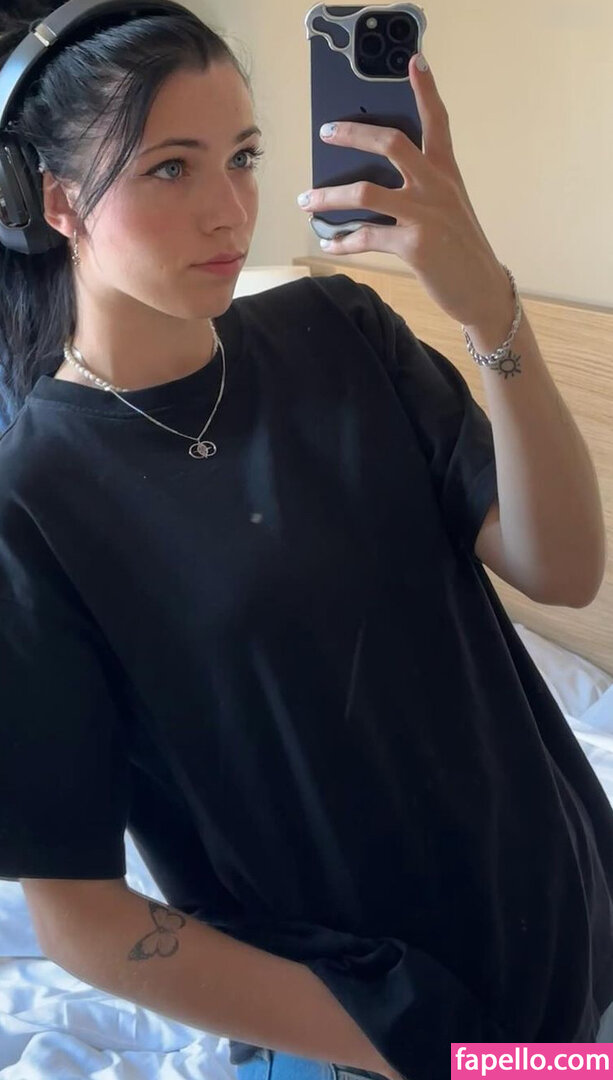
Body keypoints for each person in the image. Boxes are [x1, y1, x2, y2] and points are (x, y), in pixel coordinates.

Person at [0, 4, 612, 1080]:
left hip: (569, 916)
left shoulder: (340, 329)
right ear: (55, 203)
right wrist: (425, 1044)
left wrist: (489, 310)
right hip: (370, 1032)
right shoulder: (33, 503)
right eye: (170, 168)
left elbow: (561, 569)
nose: (230, 208)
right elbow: (81, 919)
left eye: (242, 156)